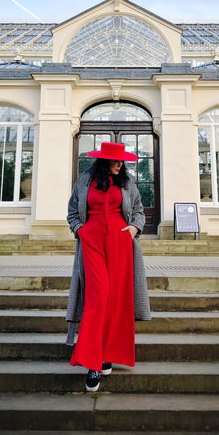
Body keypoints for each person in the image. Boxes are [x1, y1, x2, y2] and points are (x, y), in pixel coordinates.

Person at [66, 141, 151, 392]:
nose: (119, 164)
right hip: (91, 241)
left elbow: (139, 211)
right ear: (103, 161)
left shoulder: (127, 182)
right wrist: (79, 229)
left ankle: (106, 354)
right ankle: (93, 363)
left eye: (121, 160)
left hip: (120, 241)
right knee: (98, 298)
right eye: (115, 160)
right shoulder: (84, 181)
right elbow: (72, 210)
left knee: (115, 300)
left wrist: (134, 228)